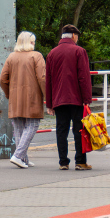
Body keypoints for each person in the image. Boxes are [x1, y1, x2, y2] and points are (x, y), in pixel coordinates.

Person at [46, 24, 93, 170]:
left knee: (61, 131)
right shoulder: (79, 51)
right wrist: (87, 99)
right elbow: (83, 77)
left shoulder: (52, 53)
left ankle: (63, 162)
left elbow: (49, 80)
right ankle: (80, 161)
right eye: (77, 36)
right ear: (73, 35)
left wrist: (49, 103)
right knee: (79, 130)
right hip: (76, 99)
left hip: (59, 99)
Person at [0, 30, 46, 169]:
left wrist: (9, 94)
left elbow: (3, 79)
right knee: (32, 125)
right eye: (33, 42)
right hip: (32, 97)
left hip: (15, 97)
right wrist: (47, 96)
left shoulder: (11, 57)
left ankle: (23, 158)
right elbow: (42, 78)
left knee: (19, 127)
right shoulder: (36, 56)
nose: (34, 44)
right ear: (29, 42)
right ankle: (18, 156)